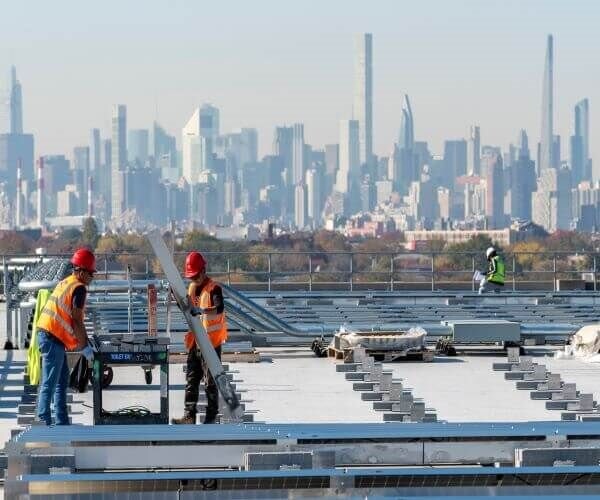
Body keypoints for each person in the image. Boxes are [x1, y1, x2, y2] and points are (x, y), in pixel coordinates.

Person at [36, 248, 95, 425]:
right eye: (91, 273)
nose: (92, 277)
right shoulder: (79, 289)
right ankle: (43, 421)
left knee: (61, 382)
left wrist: (82, 343)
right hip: (51, 337)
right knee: (50, 382)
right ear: (82, 271)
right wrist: (84, 347)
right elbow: (76, 320)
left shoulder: (67, 281)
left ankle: (62, 422)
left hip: (52, 336)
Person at [172, 251, 228, 425]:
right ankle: (189, 415)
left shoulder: (214, 288)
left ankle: (210, 418)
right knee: (192, 379)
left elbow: (219, 308)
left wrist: (202, 311)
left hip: (211, 343)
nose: (193, 279)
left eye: (195, 276)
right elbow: (188, 308)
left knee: (210, 382)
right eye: (191, 277)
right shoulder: (191, 288)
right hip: (195, 341)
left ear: (203, 271)